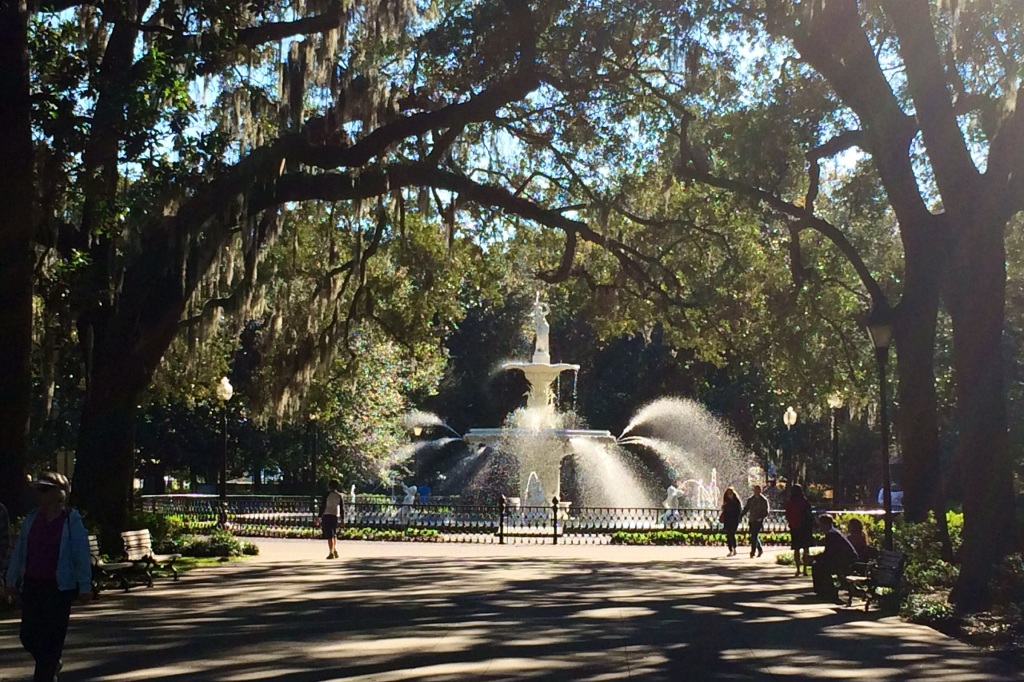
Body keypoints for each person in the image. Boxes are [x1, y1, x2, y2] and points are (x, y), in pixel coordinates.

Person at [5, 471, 92, 682]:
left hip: (59, 588)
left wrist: (85, 586)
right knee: (28, 635)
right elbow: (20, 551)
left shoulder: (70, 521)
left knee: (52, 639)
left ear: (59, 494)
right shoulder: (32, 518)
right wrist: (10, 581)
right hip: (33, 585)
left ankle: (47, 668)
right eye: (38, 490)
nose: (40, 495)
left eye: (45, 490)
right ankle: (52, 662)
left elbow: (81, 554)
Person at [811, 514, 859, 602]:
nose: (819, 527)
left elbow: (829, 553)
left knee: (819, 566)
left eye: (820, 524)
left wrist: (815, 557)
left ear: (825, 524)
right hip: (843, 560)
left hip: (846, 562)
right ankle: (824, 591)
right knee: (818, 565)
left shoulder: (832, 535)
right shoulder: (833, 534)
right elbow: (830, 553)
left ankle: (827, 591)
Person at [784, 484, 814, 576]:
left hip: (795, 527)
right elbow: (810, 514)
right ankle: (805, 569)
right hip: (805, 527)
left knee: (796, 549)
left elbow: (787, 515)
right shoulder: (804, 502)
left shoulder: (790, 502)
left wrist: (791, 523)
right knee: (806, 549)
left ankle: (798, 569)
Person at [741, 484, 770, 558]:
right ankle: (760, 549)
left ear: (760, 491)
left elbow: (766, 511)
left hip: (759, 521)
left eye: (758, 490)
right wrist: (740, 516)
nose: (756, 491)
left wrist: (761, 517)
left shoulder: (763, 500)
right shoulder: (750, 499)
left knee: (754, 535)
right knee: (753, 536)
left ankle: (752, 552)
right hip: (752, 520)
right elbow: (746, 508)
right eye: (755, 490)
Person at [321, 480, 343, 560]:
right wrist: (342, 519)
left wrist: (319, 516)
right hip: (335, 515)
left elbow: (323, 506)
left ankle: (331, 552)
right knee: (334, 533)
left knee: (329, 534)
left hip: (327, 514)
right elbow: (342, 508)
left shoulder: (326, 495)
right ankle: (334, 549)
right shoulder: (339, 496)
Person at [719, 487, 742, 557]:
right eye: (728, 494)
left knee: (732, 533)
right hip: (727, 520)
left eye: (730, 493)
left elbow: (739, 510)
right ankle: (730, 549)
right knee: (728, 535)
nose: (729, 495)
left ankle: (734, 548)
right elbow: (723, 509)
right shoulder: (726, 501)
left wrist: (739, 518)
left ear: (733, 493)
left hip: (734, 520)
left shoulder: (736, 501)